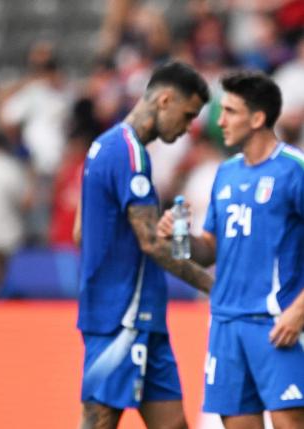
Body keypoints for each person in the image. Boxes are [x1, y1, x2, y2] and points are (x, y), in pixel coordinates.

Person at [158, 70, 304, 429]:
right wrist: (178, 236)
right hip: (225, 324)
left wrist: (299, 311)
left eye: (229, 111)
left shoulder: (294, 170)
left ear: (257, 118)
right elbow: (208, 250)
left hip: (274, 324)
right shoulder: (225, 173)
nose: (218, 121)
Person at [74, 61, 213, 429]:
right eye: (187, 116)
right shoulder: (130, 154)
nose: (187, 129)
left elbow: (79, 232)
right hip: (123, 315)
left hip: (142, 314)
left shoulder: (103, 147)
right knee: (99, 421)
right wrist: (215, 286)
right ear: (165, 100)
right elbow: (150, 243)